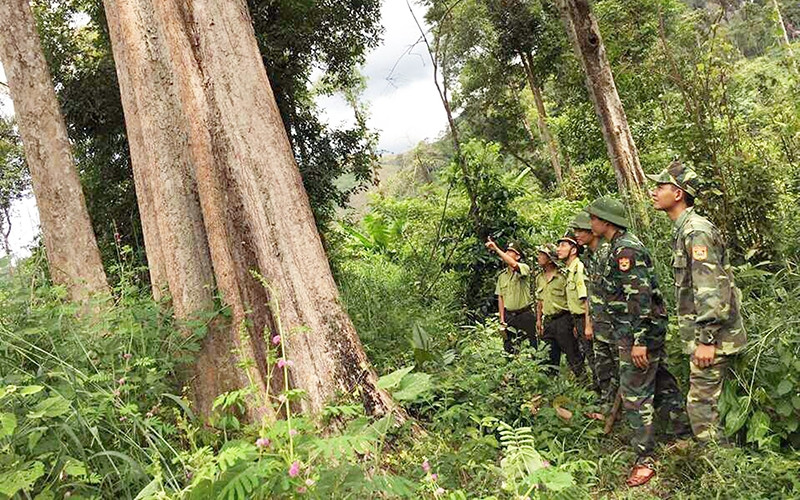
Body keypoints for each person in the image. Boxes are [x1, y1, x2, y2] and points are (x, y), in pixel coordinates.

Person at [586, 196, 690, 487]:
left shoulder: (626, 250)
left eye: (594, 217)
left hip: (638, 334)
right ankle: (682, 434)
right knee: (662, 382)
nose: (590, 222)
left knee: (635, 394)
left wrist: (639, 341)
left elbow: (640, 298)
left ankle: (645, 458)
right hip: (634, 332)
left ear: (606, 221)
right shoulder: (615, 247)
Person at [648, 160, 747, 443]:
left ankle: (722, 474)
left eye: (661, 187)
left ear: (678, 193)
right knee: (716, 406)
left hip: (713, 340)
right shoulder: (685, 230)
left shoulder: (695, 231)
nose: (654, 192)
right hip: (711, 338)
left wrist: (706, 340)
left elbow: (710, 289)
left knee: (702, 409)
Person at [571, 212, 617, 414]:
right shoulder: (589, 257)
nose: (577, 235)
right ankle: (607, 403)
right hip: (599, 322)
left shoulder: (608, 251)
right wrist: (589, 323)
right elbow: (591, 294)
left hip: (614, 323)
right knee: (602, 366)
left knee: (619, 368)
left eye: (581, 230)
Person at [535, 243, 585, 379]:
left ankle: (583, 382)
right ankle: (550, 386)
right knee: (548, 355)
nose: (538, 258)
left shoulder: (563, 276)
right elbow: (540, 301)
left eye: (542, 255)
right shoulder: (539, 278)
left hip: (564, 319)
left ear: (550, 259)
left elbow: (571, 299)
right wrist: (539, 320)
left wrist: (574, 323)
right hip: (548, 322)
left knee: (572, 353)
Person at [556, 230, 596, 389]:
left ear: (573, 249)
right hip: (577, 319)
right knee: (586, 354)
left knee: (592, 356)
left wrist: (587, 324)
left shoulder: (578, 268)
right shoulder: (569, 270)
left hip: (584, 318)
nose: (558, 248)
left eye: (563, 245)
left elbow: (586, 300)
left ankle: (601, 394)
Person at [487, 237, 537, 354]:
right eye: (506, 251)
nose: (507, 254)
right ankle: (513, 371)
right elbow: (501, 297)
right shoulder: (502, 276)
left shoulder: (523, 268)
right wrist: (502, 319)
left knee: (532, 346)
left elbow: (513, 265)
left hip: (525, 314)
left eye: (511, 252)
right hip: (510, 316)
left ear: (518, 256)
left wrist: (496, 249)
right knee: (510, 348)